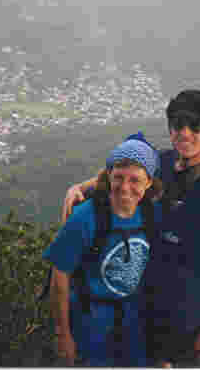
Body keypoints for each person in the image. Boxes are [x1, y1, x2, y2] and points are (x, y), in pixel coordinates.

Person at [61, 90, 200, 367]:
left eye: (195, 126)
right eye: (177, 124)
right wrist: (79, 188)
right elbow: (118, 172)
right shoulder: (158, 162)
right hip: (141, 313)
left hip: (191, 320)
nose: (184, 133)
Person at [43, 134, 162, 366]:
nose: (125, 187)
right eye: (119, 177)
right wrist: (63, 334)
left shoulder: (151, 215)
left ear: (149, 183)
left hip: (133, 323)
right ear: (109, 177)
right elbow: (60, 275)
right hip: (89, 323)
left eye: (135, 180)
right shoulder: (85, 217)